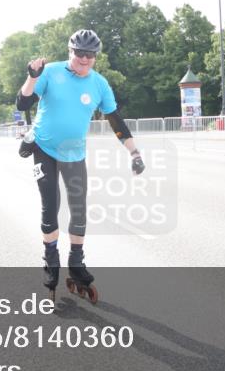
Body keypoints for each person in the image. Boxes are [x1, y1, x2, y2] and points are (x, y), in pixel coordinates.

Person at [17, 29, 145, 300]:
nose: (84, 59)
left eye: (90, 54)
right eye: (79, 53)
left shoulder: (99, 84)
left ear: (95, 57)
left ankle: (76, 265)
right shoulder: (50, 72)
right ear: (70, 52)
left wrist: (134, 152)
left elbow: (115, 120)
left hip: (75, 153)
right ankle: (51, 263)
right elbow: (22, 102)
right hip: (44, 148)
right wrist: (32, 77)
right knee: (50, 204)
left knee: (79, 210)